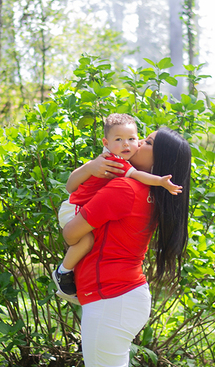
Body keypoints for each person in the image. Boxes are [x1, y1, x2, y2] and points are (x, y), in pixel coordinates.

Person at [60, 127, 192, 367]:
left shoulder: (124, 190)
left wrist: (72, 210)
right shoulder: (145, 191)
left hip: (113, 299)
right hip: (122, 297)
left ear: (160, 162)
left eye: (148, 143)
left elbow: (72, 234)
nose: (137, 144)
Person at [52, 113, 182, 305]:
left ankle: (63, 272)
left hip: (113, 293)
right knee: (86, 239)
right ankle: (63, 272)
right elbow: (71, 187)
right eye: (120, 140)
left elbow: (71, 233)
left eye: (138, 140)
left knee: (86, 239)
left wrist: (161, 181)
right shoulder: (116, 166)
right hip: (75, 208)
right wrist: (89, 167)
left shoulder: (128, 186)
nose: (131, 145)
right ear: (107, 141)